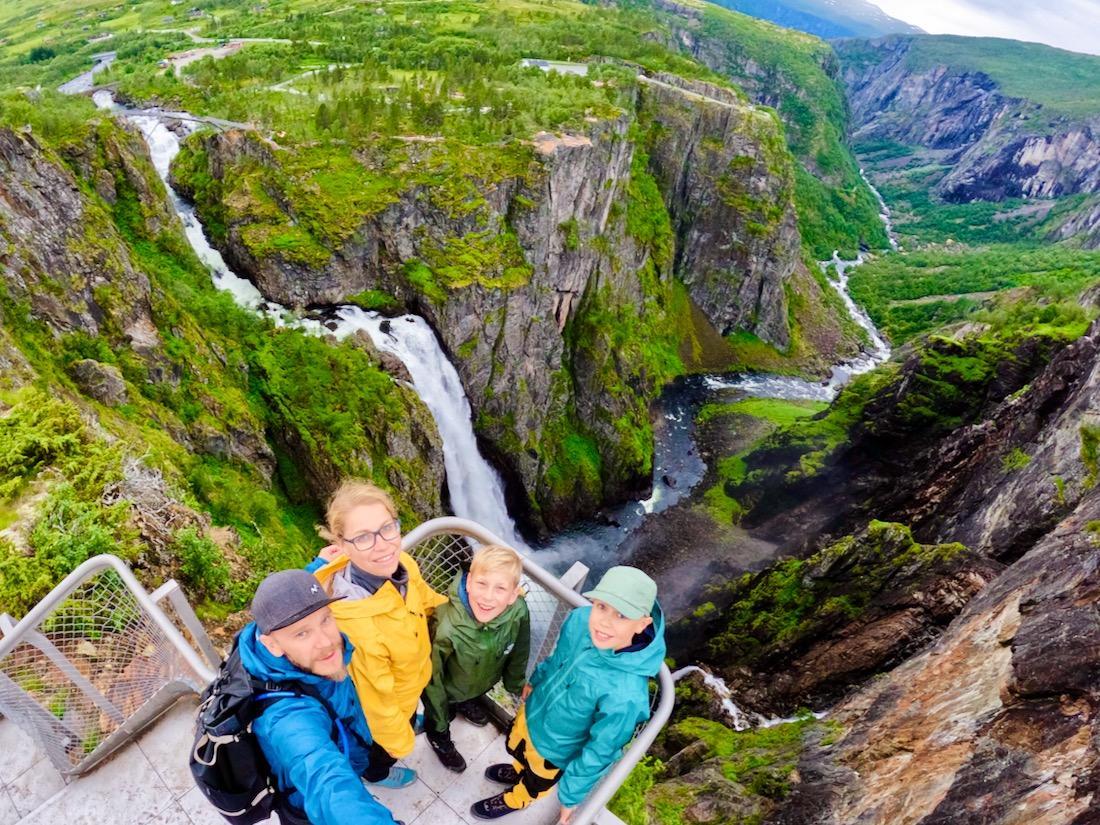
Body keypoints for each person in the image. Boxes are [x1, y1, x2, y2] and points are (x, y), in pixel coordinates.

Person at [471, 566, 666, 823]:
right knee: (519, 749)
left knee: (536, 782)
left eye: (621, 615)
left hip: (556, 750)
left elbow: (601, 751)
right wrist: (537, 678)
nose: (604, 622)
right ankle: (518, 770)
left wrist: (570, 797)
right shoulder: (580, 620)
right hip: (533, 713)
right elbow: (557, 657)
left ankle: (516, 798)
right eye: (602, 606)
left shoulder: (626, 695)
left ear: (642, 624)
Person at [311, 479, 447, 787]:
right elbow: (377, 704)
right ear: (342, 545)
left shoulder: (402, 564)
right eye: (363, 538)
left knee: (406, 717)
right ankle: (378, 774)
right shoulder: (356, 627)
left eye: (388, 528)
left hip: (410, 686)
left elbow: (424, 598)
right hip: (386, 710)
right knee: (380, 751)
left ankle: (409, 720)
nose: (383, 544)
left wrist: (473, 606)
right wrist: (400, 743)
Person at [236, 568, 399, 825]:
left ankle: (369, 773)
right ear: (272, 645)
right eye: (302, 633)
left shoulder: (300, 653)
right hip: (309, 806)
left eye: (325, 619)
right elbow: (326, 781)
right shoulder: (286, 718)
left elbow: (296, 596)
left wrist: (322, 562)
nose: (326, 642)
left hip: (350, 743)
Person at [422, 544, 531, 772]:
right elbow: (431, 679)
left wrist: (515, 684)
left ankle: (467, 701)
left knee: (471, 690)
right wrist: (439, 719)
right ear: (469, 582)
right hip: (448, 688)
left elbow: (520, 649)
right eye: (482, 584)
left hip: (481, 681)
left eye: (500, 589)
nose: (488, 597)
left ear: (513, 595)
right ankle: (439, 738)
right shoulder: (445, 626)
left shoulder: (519, 611)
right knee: (440, 715)